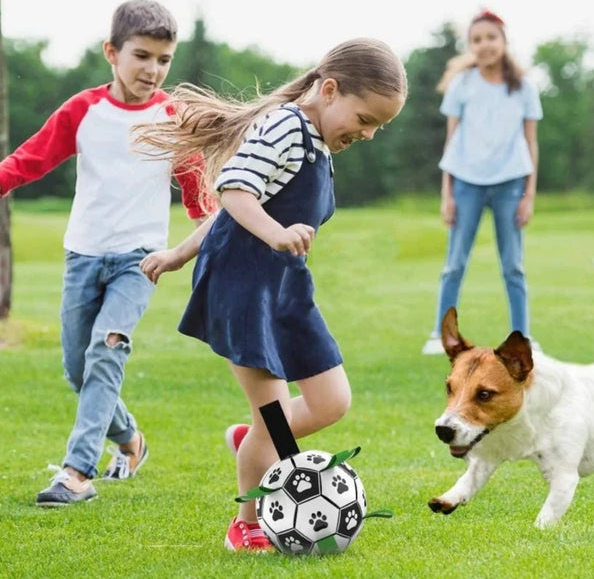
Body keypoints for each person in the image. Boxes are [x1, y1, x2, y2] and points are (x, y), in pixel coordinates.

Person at [135, 37, 407, 552]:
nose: (368, 134)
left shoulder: (320, 142)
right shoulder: (285, 125)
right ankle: (247, 521)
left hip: (285, 288)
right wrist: (273, 234)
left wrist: (179, 251)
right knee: (276, 419)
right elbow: (234, 191)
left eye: (379, 126)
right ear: (329, 90)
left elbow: (229, 210)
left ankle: (252, 442)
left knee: (331, 402)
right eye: (366, 117)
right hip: (242, 286)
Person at [0, 0, 208, 506]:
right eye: (142, 56)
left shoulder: (173, 120)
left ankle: (76, 472)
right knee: (78, 367)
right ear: (111, 52)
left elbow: (199, 197)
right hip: (82, 256)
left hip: (140, 260)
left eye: (164, 60)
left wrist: (213, 239)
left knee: (106, 349)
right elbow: (27, 161)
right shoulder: (82, 111)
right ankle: (131, 440)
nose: (153, 70)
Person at [421, 9, 542, 355]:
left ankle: (523, 337)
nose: (484, 44)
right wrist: (447, 194)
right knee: (455, 263)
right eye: (477, 39)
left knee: (513, 266)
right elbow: (452, 142)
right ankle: (440, 335)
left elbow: (531, 142)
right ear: (470, 46)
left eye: (491, 37)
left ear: (504, 42)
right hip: (466, 183)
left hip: (510, 183)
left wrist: (529, 194)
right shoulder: (462, 85)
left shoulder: (523, 88)